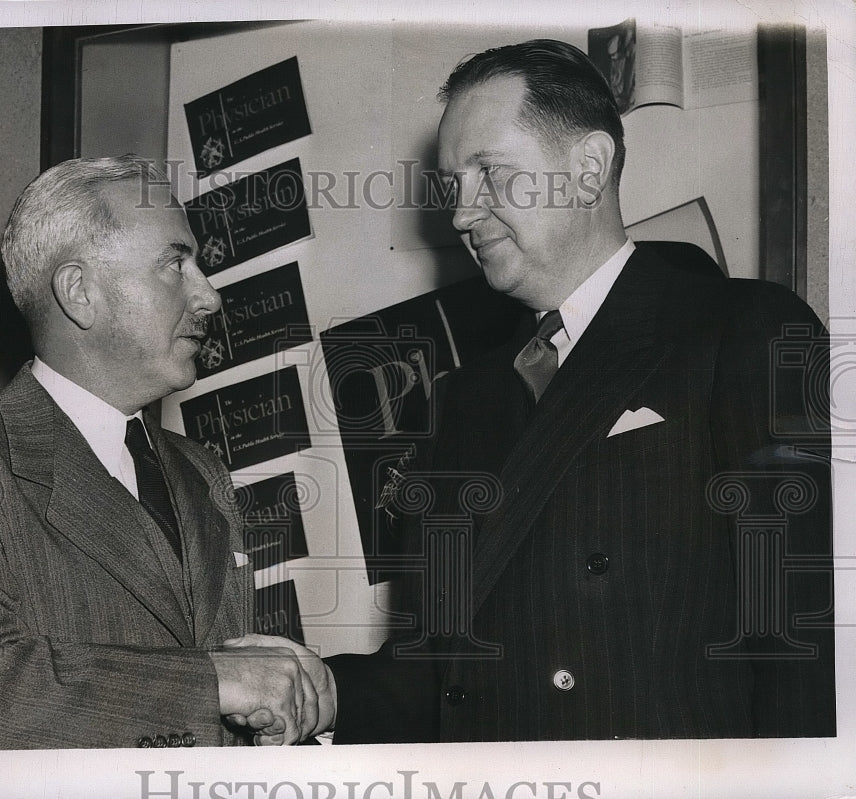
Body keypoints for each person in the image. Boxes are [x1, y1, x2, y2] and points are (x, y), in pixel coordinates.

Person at [244, 38, 836, 743]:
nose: (463, 214)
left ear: (588, 169)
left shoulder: (744, 330)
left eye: (489, 173)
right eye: (453, 185)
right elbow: (433, 672)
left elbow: (803, 641)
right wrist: (325, 691)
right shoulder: (457, 402)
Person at [0, 155, 330, 750]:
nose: (209, 297)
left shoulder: (202, 471)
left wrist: (298, 706)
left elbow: (231, 717)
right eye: (175, 264)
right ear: (80, 292)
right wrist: (214, 680)